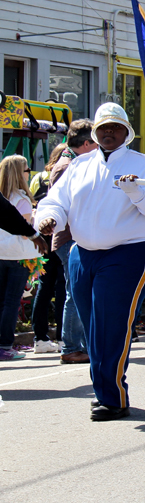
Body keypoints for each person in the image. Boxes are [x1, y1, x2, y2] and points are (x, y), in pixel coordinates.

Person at [36, 103, 145, 420]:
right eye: (103, 128)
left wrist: (137, 193)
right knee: (92, 329)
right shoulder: (79, 165)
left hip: (129, 251)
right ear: (95, 133)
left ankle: (112, 398)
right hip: (82, 254)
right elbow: (55, 202)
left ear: (127, 132)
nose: (109, 132)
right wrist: (50, 219)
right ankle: (106, 392)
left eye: (115, 127)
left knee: (110, 326)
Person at [49, 119, 96, 364]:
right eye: (96, 142)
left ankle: (82, 344)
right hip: (69, 238)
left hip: (75, 236)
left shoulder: (73, 162)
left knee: (80, 291)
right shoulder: (68, 165)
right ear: (86, 143)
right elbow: (59, 204)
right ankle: (70, 346)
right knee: (76, 292)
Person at [0, 155, 42, 361]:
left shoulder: (2, 196)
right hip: (19, 255)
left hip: (1, 253)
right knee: (11, 301)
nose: (29, 173)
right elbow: (24, 231)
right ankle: (5, 344)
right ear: (19, 173)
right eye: (27, 170)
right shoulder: (21, 200)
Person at [30, 144, 68, 354]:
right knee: (63, 286)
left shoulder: (39, 178)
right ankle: (63, 336)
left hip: (43, 236)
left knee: (44, 287)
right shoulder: (69, 171)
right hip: (60, 234)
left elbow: (33, 200)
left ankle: (40, 337)